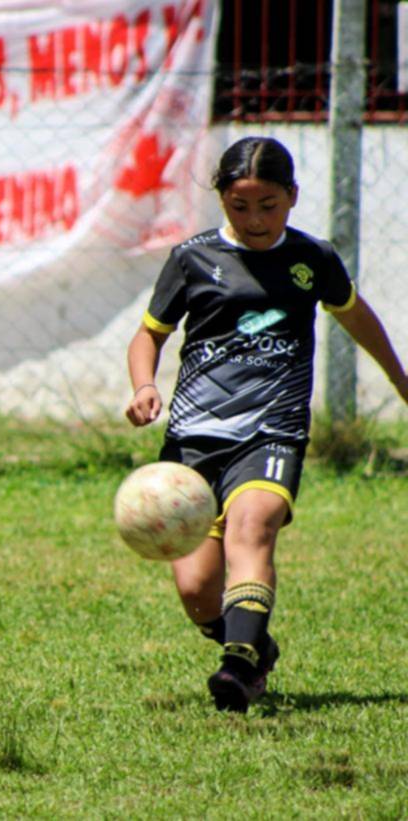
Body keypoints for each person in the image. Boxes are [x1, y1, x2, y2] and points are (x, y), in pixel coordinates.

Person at [124, 136, 408, 713]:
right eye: (240, 205)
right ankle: (254, 645)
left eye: (268, 205)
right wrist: (144, 385)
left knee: (252, 527)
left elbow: (356, 316)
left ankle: (238, 666)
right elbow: (149, 335)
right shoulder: (192, 258)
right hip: (193, 441)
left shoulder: (313, 259)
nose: (255, 219)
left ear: (292, 197)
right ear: (221, 200)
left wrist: (401, 380)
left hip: (271, 433)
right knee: (197, 591)